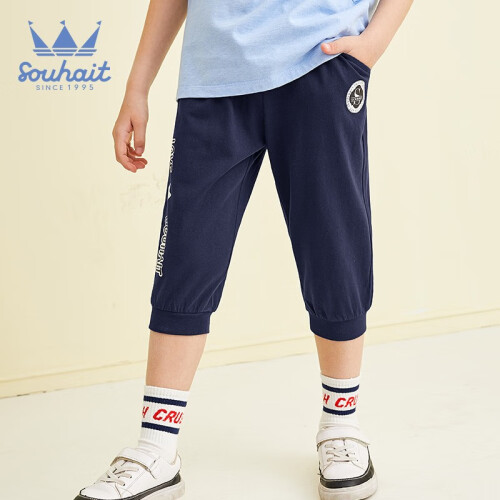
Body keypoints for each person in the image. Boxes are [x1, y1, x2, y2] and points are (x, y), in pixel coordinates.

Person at [74, 1, 413, 499]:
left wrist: (373, 42)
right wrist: (137, 87)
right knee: (186, 256)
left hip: (320, 62)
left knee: (334, 247)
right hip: (213, 75)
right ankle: (156, 447)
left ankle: (341, 425)